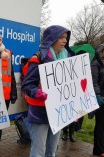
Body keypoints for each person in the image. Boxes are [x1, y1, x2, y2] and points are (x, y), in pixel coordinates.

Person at [21, 25, 75, 157]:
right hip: (40, 112)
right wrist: (37, 93)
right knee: (38, 151)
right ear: (51, 38)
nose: (64, 41)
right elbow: (27, 85)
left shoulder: (68, 59)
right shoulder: (38, 59)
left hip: (58, 112)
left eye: (66, 38)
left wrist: (74, 108)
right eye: (61, 37)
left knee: (51, 151)